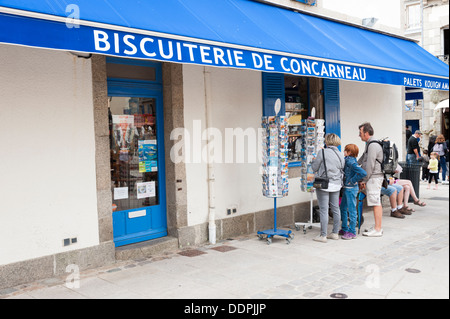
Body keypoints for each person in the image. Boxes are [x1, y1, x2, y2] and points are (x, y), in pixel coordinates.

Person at [311, 133, 345, 243]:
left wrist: (313, 160)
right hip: (336, 184)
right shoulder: (340, 155)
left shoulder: (322, 152)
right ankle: (335, 233)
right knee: (335, 209)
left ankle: (323, 235)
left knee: (324, 209)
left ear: (327, 141)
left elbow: (314, 167)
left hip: (324, 184)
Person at [357, 122, 384, 237]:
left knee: (375, 202)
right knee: (374, 201)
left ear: (366, 133)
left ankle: (378, 229)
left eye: (360, 133)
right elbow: (363, 158)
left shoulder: (373, 145)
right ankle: (376, 226)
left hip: (374, 177)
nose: (359, 135)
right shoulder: (369, 144)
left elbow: (370, 164)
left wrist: (364, 179)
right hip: (373, 177)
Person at [339, 144, 367, 240]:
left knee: (351, 210)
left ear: (349, 152)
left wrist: (353, 180)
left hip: (350, 188)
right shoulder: (350, 160)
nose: (344, 152)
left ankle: (352, 232)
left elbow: (363, 173)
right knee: (343, 208)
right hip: (348, 188)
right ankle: (344, 228)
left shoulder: (351, 162)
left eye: (345, 150)